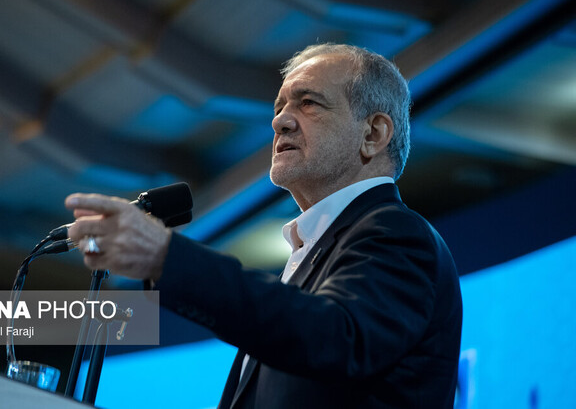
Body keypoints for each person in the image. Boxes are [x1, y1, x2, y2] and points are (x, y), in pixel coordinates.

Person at [65, 43, 463, 408]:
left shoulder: (396, 233)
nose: (280, 122)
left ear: (373, 133)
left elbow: (331, 335)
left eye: (308, 103)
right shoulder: (315, 251)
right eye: (279, 107)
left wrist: (167, 257)